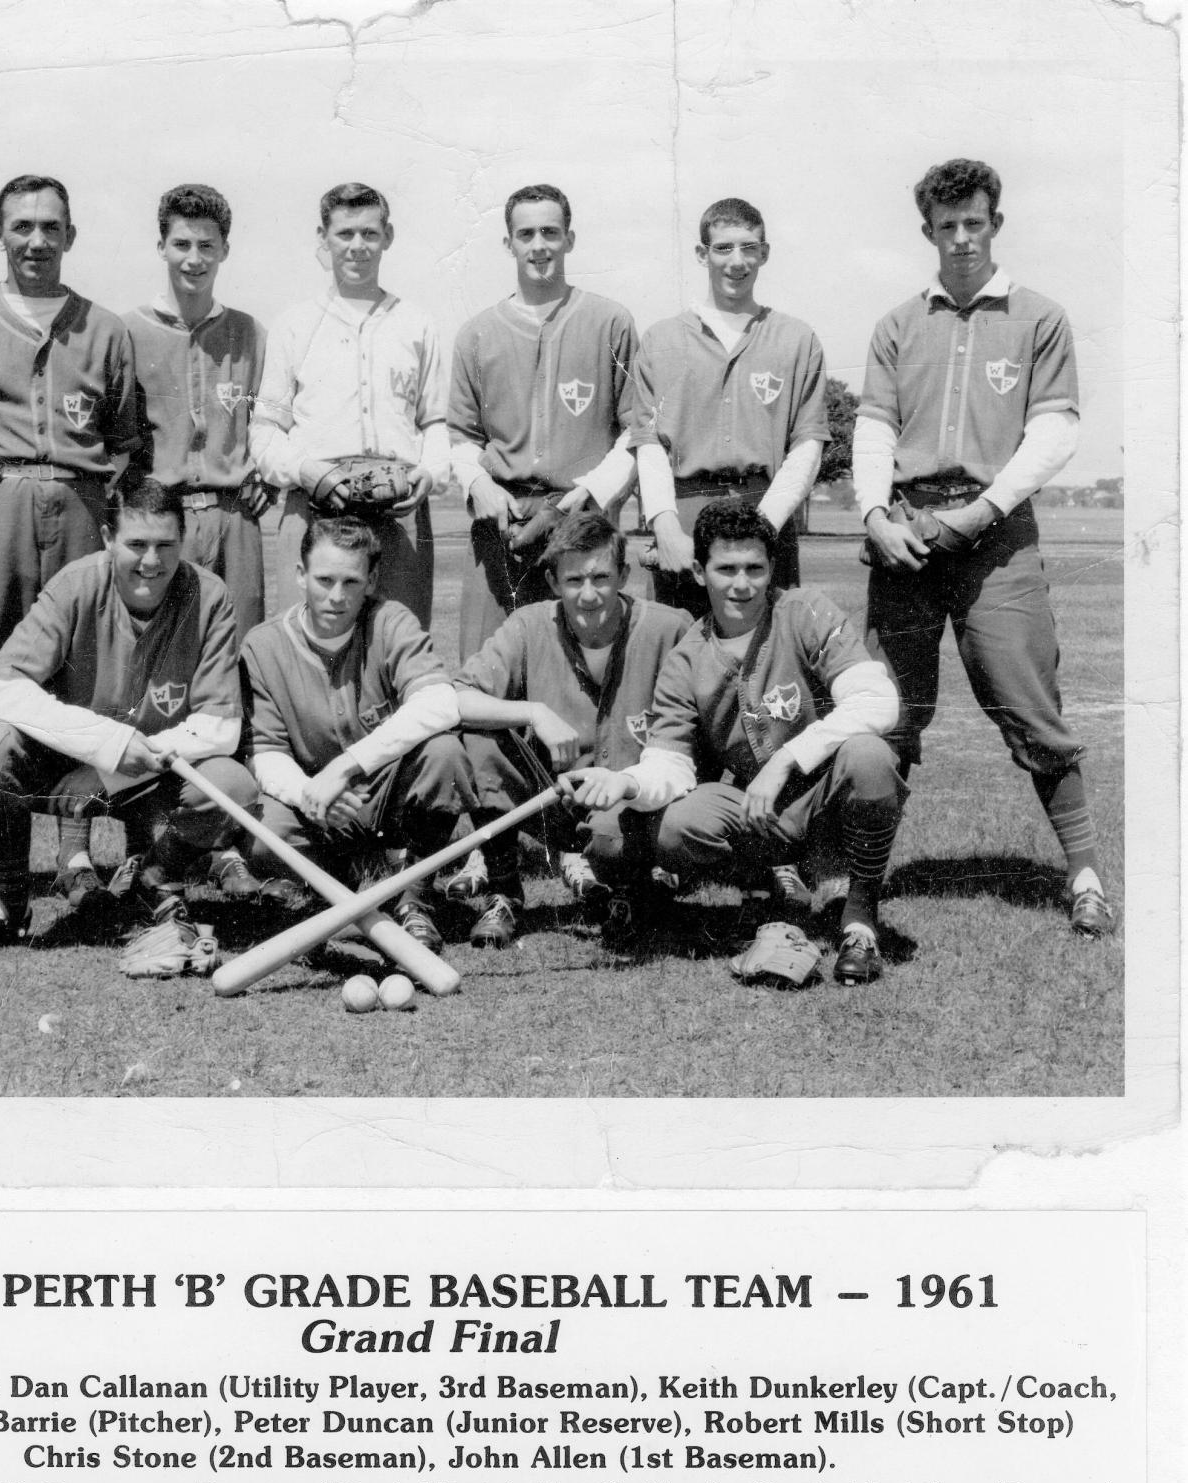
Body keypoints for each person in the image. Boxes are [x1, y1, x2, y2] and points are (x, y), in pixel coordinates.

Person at [853, 158, 1113, 937]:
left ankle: (1085, 877)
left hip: (996, 539)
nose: (961, 238)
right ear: (926, 231)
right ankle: (861, 894)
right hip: (906, 535)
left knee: (1030, 707)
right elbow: (873, 425)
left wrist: (980, 512)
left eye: (974, 223)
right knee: (884, 713)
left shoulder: (1038, 316)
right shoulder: (898, 324)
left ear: (994, 224)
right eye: (946, 226)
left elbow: (1055, 429)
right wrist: (871, 514)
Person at [560, 498, 906, 984]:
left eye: (754, 568)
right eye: (726, 569)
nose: (741, 584)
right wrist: (625, 783)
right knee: (676, 822)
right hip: (755, 815)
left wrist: (786, 759)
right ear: (700, 572)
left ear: (771, 568)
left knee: (869, 755)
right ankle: (764, 888)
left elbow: (878, 701)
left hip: (820, 800)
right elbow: (671, 766)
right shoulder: (686, 658)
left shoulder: (804, 612)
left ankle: (860, 918)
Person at [0, 174, 148, 926]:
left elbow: (126, 439)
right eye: (20, 226)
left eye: (50, 226)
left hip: (80, 498)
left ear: (71, 235)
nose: (35, 240)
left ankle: (77, 855)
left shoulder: (105, 328)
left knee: (79, 669)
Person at [0, 477, 256, 972]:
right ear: (108, 538)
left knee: (231, 783)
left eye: (166, 545)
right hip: (72, 764)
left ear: (183, 541)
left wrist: (124, 761)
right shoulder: (75, 583)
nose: (151, 561)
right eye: (137, 545)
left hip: (152, 771)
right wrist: (104, 743)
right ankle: (7, 906)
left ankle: (154, 883)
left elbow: (221, 727)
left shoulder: (209, 596)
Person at [123, 182, 275, 901]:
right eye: (180, 244)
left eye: (205, 246)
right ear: (161, 247)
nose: (192, 258)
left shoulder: (249, 331)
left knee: (234, 675)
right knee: (156, 681)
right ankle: (149, 842)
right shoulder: (128, 331)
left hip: (233, 522)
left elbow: (273, 425)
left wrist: (267, 475)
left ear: (224, 251)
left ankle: (231, 843)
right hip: (164, 522)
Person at [452, 509, 693, 948]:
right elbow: (460, 697)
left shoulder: (670, 627)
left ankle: (641, 882)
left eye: (600, 578)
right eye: (573, 581)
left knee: (624, 853)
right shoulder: (528, 624)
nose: (588, 595)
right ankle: (503, 891)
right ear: (551, 583)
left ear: (623, 574)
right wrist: (534, 713)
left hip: (632, 803)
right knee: (477, 736)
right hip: (553, 801)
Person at [239, 516, 474, 955]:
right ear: (299, 575)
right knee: (261, 832)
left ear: (371, 580)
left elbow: (439, 701)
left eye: (351, 581)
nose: (336, 595)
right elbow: (264, 753)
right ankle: (349, 891)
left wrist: (345, 767)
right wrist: (311, 791)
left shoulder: (390, 620)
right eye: (324, 579)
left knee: (444, 754)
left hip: (382, 796)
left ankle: (413, 897)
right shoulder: (263, 645)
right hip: (319, 810)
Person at [449, 183, 639, 659]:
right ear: (508, 243)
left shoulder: (610, 322)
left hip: (582, 527)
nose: (539, 246)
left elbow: (638, 429)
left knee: (589, 664)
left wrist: (589, 492)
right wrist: (480, 487)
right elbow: (459, 435)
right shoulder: (476, 334)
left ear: (569, 240)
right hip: (502, 527)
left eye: (551, 233)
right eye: (526, 234)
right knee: (491, 668)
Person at [249, 182, 450, 629]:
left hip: (397, 511)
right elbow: (264, 431)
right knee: (307, 653)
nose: (357, 246)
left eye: (369, 234)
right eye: (344, 234)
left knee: (400, 648)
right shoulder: (294, 324)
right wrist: (305, 470)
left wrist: (430, 472)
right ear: (323, 238)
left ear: (388, 236)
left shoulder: (416, 323)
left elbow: (435, 421)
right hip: (316, 506)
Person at [630, 197, 829, 618]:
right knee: (677, 658)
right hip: (685, 517)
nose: (737, 262)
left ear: (765, 252)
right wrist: (664, 527)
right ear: (702, 254)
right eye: (723, 248)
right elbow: (648, 444)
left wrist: (765, 526)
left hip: (766, 510)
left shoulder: (797, 339)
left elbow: (808, 444)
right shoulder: (661, 339)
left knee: (769, 664)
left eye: (748, 247)